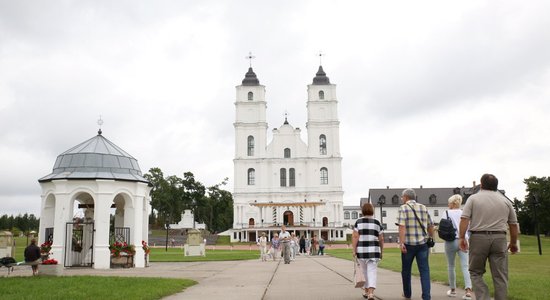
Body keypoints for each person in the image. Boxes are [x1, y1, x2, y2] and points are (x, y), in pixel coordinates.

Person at [459, 174, 519, 300]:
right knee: (500, 275)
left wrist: (461, 238)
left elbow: (464, 219)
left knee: (475, 272)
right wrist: (513, 243)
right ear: (496, 186)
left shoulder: (473, 199)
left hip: (478, 237)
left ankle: (484, 297)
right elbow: (513, 225)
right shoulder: (505, 201)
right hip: (499, 238)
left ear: (481, 184)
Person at [397, 188, 434, 300]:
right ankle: (426, 296)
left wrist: (401, 242)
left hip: (408, 244)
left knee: (406, 270)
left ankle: (407, 293)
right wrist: (431, 238)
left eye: (402, 197)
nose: (402, 199)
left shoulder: (403, 208)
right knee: (424, 271)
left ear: (406, 197)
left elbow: (402, 227)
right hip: (422, 244)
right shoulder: (423, 207)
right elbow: (430, 225)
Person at [352, 203, 384, 300]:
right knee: (372, 271)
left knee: (364, 271)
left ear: (362, 211)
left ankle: (366, 291)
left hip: (362, 250)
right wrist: (381, 251)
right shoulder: (377, 222)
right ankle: (371, 293)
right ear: (372, 210)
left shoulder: (358, 222)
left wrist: (354, 250)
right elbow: (381, 238)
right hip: (374, 251)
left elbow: (355, 237)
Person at [444, 195, 473, 299]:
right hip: (463, 240)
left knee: (451, 266)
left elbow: (443, 227)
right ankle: (468, 290)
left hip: (450, 241)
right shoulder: (464, 213)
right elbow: (468, 227)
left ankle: (453, 290)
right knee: (465, 266)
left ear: (452, 203)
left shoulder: (446, 213)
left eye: (449, 203)